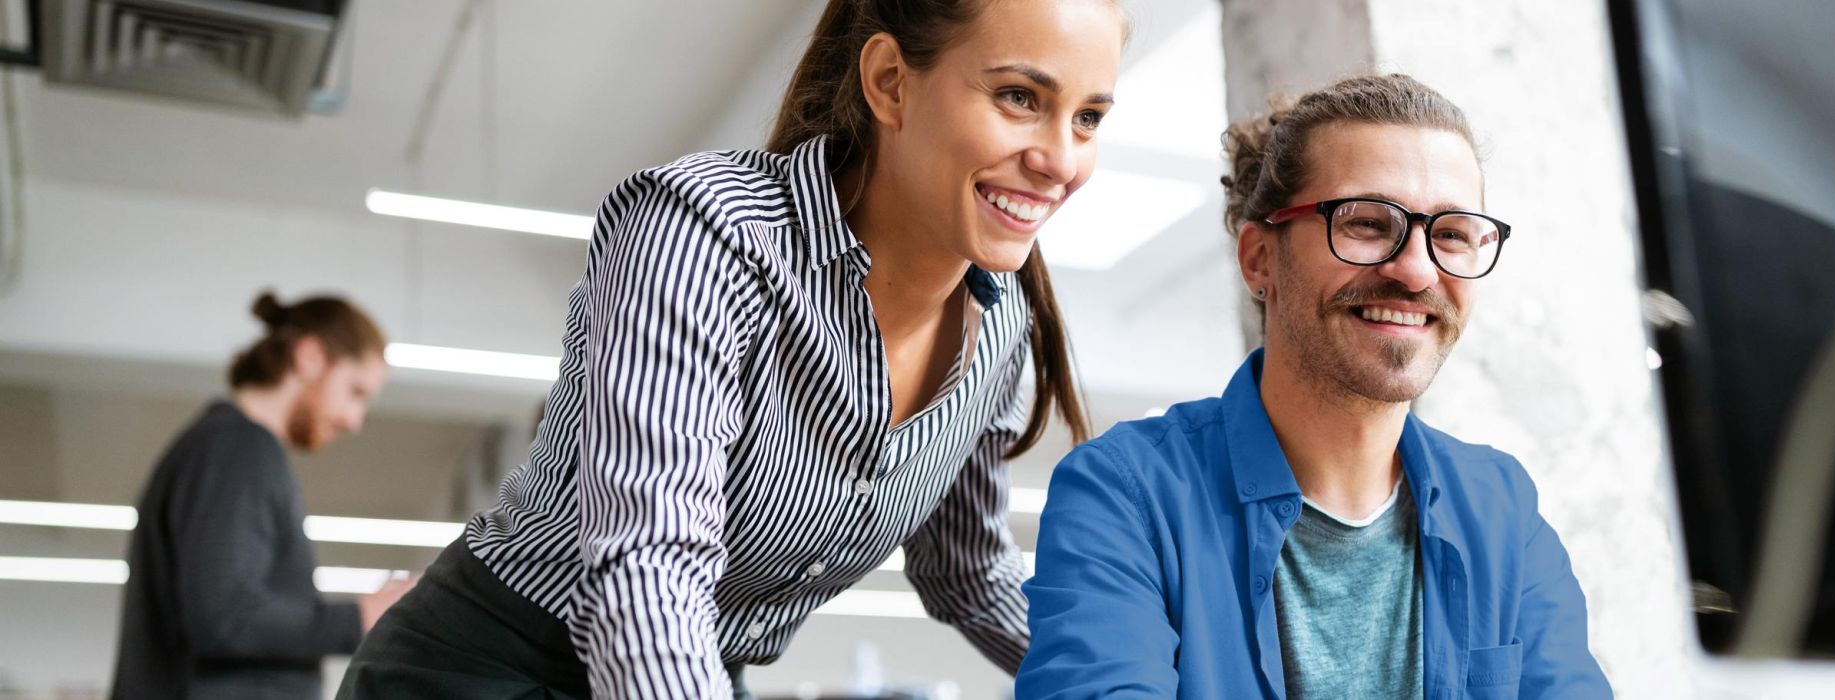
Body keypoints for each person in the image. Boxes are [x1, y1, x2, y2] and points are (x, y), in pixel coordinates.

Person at [338, 0, 1122, 696]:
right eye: (1020, 98)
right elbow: (651, 564)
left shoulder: (1001, 329)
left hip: (696, 665)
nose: (1062, 160)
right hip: (488, 668)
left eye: (1088, 117)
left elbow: (969, 573)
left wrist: (1138, 680)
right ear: (890, 81)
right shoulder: (706, 232)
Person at [1017, 74, 1612, 699]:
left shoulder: (1500, 506)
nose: (1415, 269)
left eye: (1453, 234)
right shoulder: (1126, 494)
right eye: (1366, 223)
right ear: (1259, 260)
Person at [112, 292, 411, 700]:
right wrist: (360, 617)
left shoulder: (230, 448)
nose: (353, 421)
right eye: (355, 391)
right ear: (310, 358)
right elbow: (225, 617)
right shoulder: (235, 448)